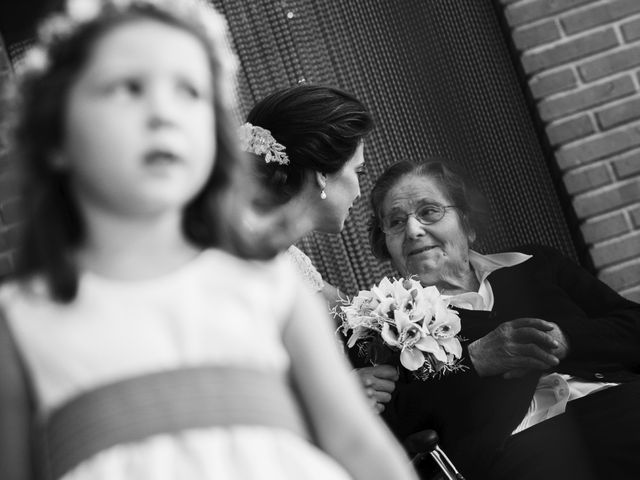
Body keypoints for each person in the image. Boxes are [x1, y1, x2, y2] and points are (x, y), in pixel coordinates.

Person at [0, 2, 419, 479]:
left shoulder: (269, 286)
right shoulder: (20, 325)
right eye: (127, 89)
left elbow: (362, 450)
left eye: (189, 91)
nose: (162, 113)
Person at [356, 158, 640, 479]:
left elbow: (633, 328)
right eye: (395, 222)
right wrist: (474, 362)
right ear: (386, 245)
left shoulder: (536, 264)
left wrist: (564, 340)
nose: (413, 230)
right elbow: (396, 422)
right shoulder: (381, 327)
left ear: (467, 224)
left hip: (616, 400)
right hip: (518, 448)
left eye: (429, 211)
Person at [241, 84, 373, 308]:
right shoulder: (244, 253)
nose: (359, 193)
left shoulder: (293, 263)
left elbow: (358, 322)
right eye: (357, 171)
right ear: (322, 173)